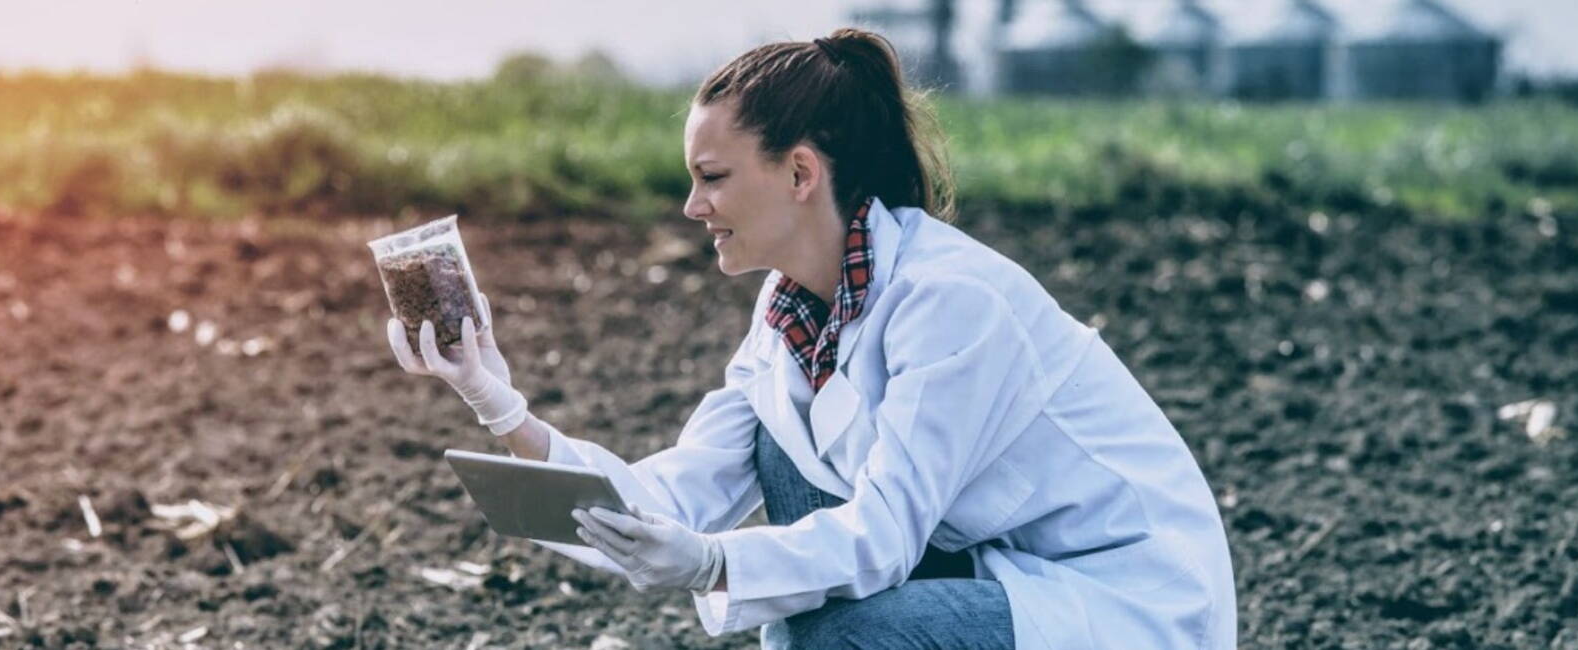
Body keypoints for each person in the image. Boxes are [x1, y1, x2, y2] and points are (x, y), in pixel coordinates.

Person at [386, 28, 1236, 650]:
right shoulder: (787, 314)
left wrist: (715, 563)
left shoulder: (952, 302)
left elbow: (883, 535)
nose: (691, 208)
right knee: (790, 506)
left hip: (1121, 603)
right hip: (992, 566)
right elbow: (669, 504)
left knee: (832, 637)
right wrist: (495, 400)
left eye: (711, 178)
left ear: (800, 173)